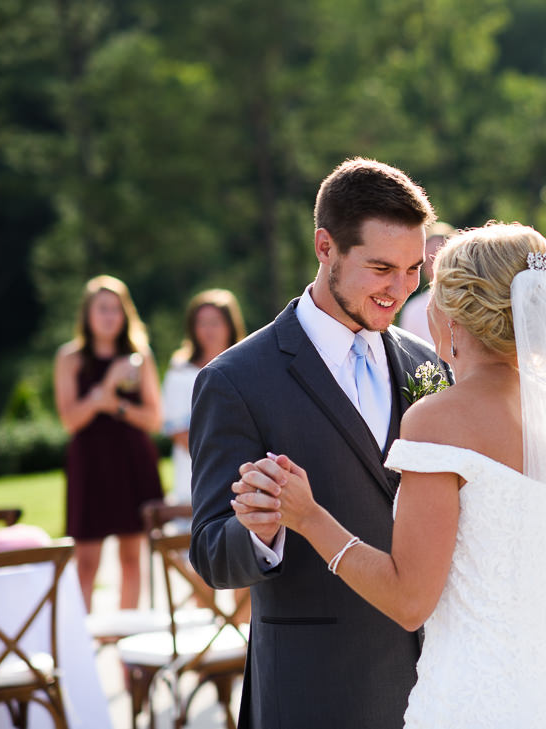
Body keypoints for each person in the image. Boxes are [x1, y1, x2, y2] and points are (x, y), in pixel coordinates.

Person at [235, 223, 546, 728]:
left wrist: (309, 515)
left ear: (453, 314)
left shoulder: (438, 419)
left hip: (473, 702)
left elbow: (409, 603)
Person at [188, 158, 443, 729]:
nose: (400, 289)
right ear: (325, 246)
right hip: (314, 689)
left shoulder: (427, 365)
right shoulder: (236, 380)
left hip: (436, 682)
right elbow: (210, 553)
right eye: (381, 268)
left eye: (411, 271)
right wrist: (260, 530)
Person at [53, 274, 164, 611]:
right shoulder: (70, 358)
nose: (109, 316)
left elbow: (154, 419)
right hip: (90, 464)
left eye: (116, 308)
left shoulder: (138, 357)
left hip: (132, 462)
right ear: (87, 314)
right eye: (102, 308)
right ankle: (83, 643)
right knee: (86, 561)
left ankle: (125, 641)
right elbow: (70, 419)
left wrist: (113, 403)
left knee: (132, 558)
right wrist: (105, 388)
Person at [161, 289, 246, 504]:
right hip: (196, 475)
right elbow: (179, 432)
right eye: (202, 322)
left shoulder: (247, 366)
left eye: (215, 322)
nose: (208, 330)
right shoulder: (180, 372)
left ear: (230, 324)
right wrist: (221, 461)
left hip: (244, 475)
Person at [399, 221, 455, 343]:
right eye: (430, 260)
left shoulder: (469, 302)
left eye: (439, 259)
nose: (435, 266)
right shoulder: (413, 309)